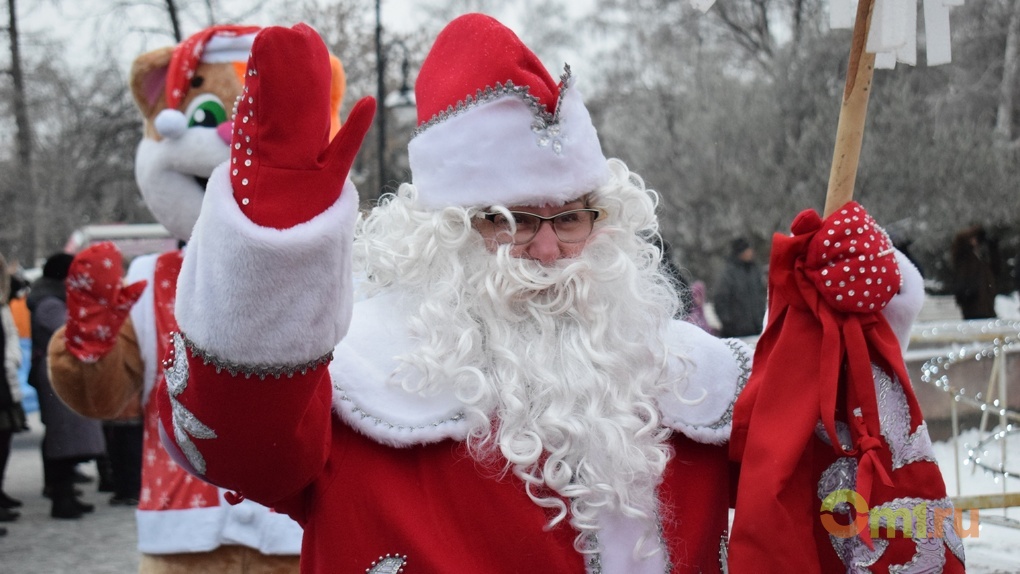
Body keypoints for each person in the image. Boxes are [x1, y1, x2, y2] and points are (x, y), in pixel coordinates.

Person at [157, 16, 964, 573]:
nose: (547, 249)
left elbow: (811, 433)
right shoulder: (359, 385)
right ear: (439, 231)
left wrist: (849, 308)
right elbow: (232, 444)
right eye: (508, 220)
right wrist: (275, 245)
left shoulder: (685, 377)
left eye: (572, 218)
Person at [45, 24, 346, 573]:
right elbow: (105, 401)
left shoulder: (337, 276)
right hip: (181, 529)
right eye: (208, 118)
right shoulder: (149, 277)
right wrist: (91, 348)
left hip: (296, 530)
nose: (229, 138)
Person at [27, 252, 105, 519]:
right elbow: (70, 330)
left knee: (65, 438)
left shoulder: (51, 298)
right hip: (56, 374)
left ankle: (66, 493)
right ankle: (61, 496)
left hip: (60, 372)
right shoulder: (50, 302)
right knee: (61, 439)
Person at [0, 253, 29, 528]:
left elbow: (10, 339)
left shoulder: (3, 305)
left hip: (4, 384)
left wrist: (12, 359)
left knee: (4, 440)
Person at [712, 236, 766, 338]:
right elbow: (720, 299)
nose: (750, 252)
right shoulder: (728, 273)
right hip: (737, 333)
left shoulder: (755, 270)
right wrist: (729, 324)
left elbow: (761, 296)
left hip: (757, 329)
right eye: (747, 250)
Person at [951, 224, 1000, 319]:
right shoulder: (965, 259)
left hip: (985, 305)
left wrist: (993, 249)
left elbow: (996, 270)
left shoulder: (980, 260)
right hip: (973, 306)